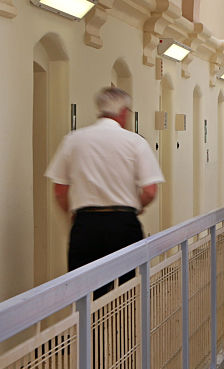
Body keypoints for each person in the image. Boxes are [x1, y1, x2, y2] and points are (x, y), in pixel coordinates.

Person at [45, 87, 165, 297]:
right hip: (123, 224)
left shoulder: (73, 140)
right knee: (126, 291)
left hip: (86, 225)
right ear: (124, 112)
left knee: (87, 293)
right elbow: (150, 191)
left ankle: (91, 329)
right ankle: (122, 328)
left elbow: (60, 190)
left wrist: (73, 215)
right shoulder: (135, 142)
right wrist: (136, 207)